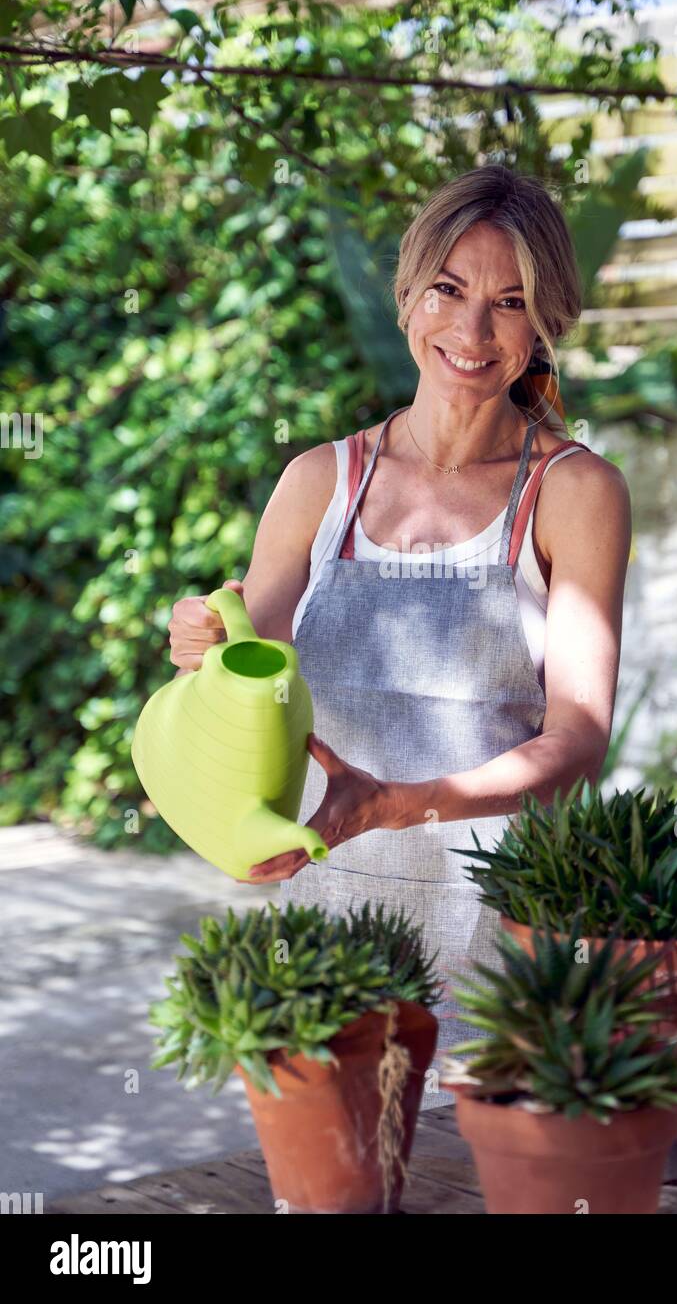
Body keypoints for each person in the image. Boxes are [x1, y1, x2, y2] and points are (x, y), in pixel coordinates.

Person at [167, 164, 632, 1105]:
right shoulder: (318, 482)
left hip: (497, 933)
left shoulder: (576, 493)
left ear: (543, 323)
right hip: (324, 927)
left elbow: (578, 743)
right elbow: (241, 674)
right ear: (410, 294)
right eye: (450, 291)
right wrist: (196, 640)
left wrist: (396, 802)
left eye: (511, 302)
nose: (471, 331)